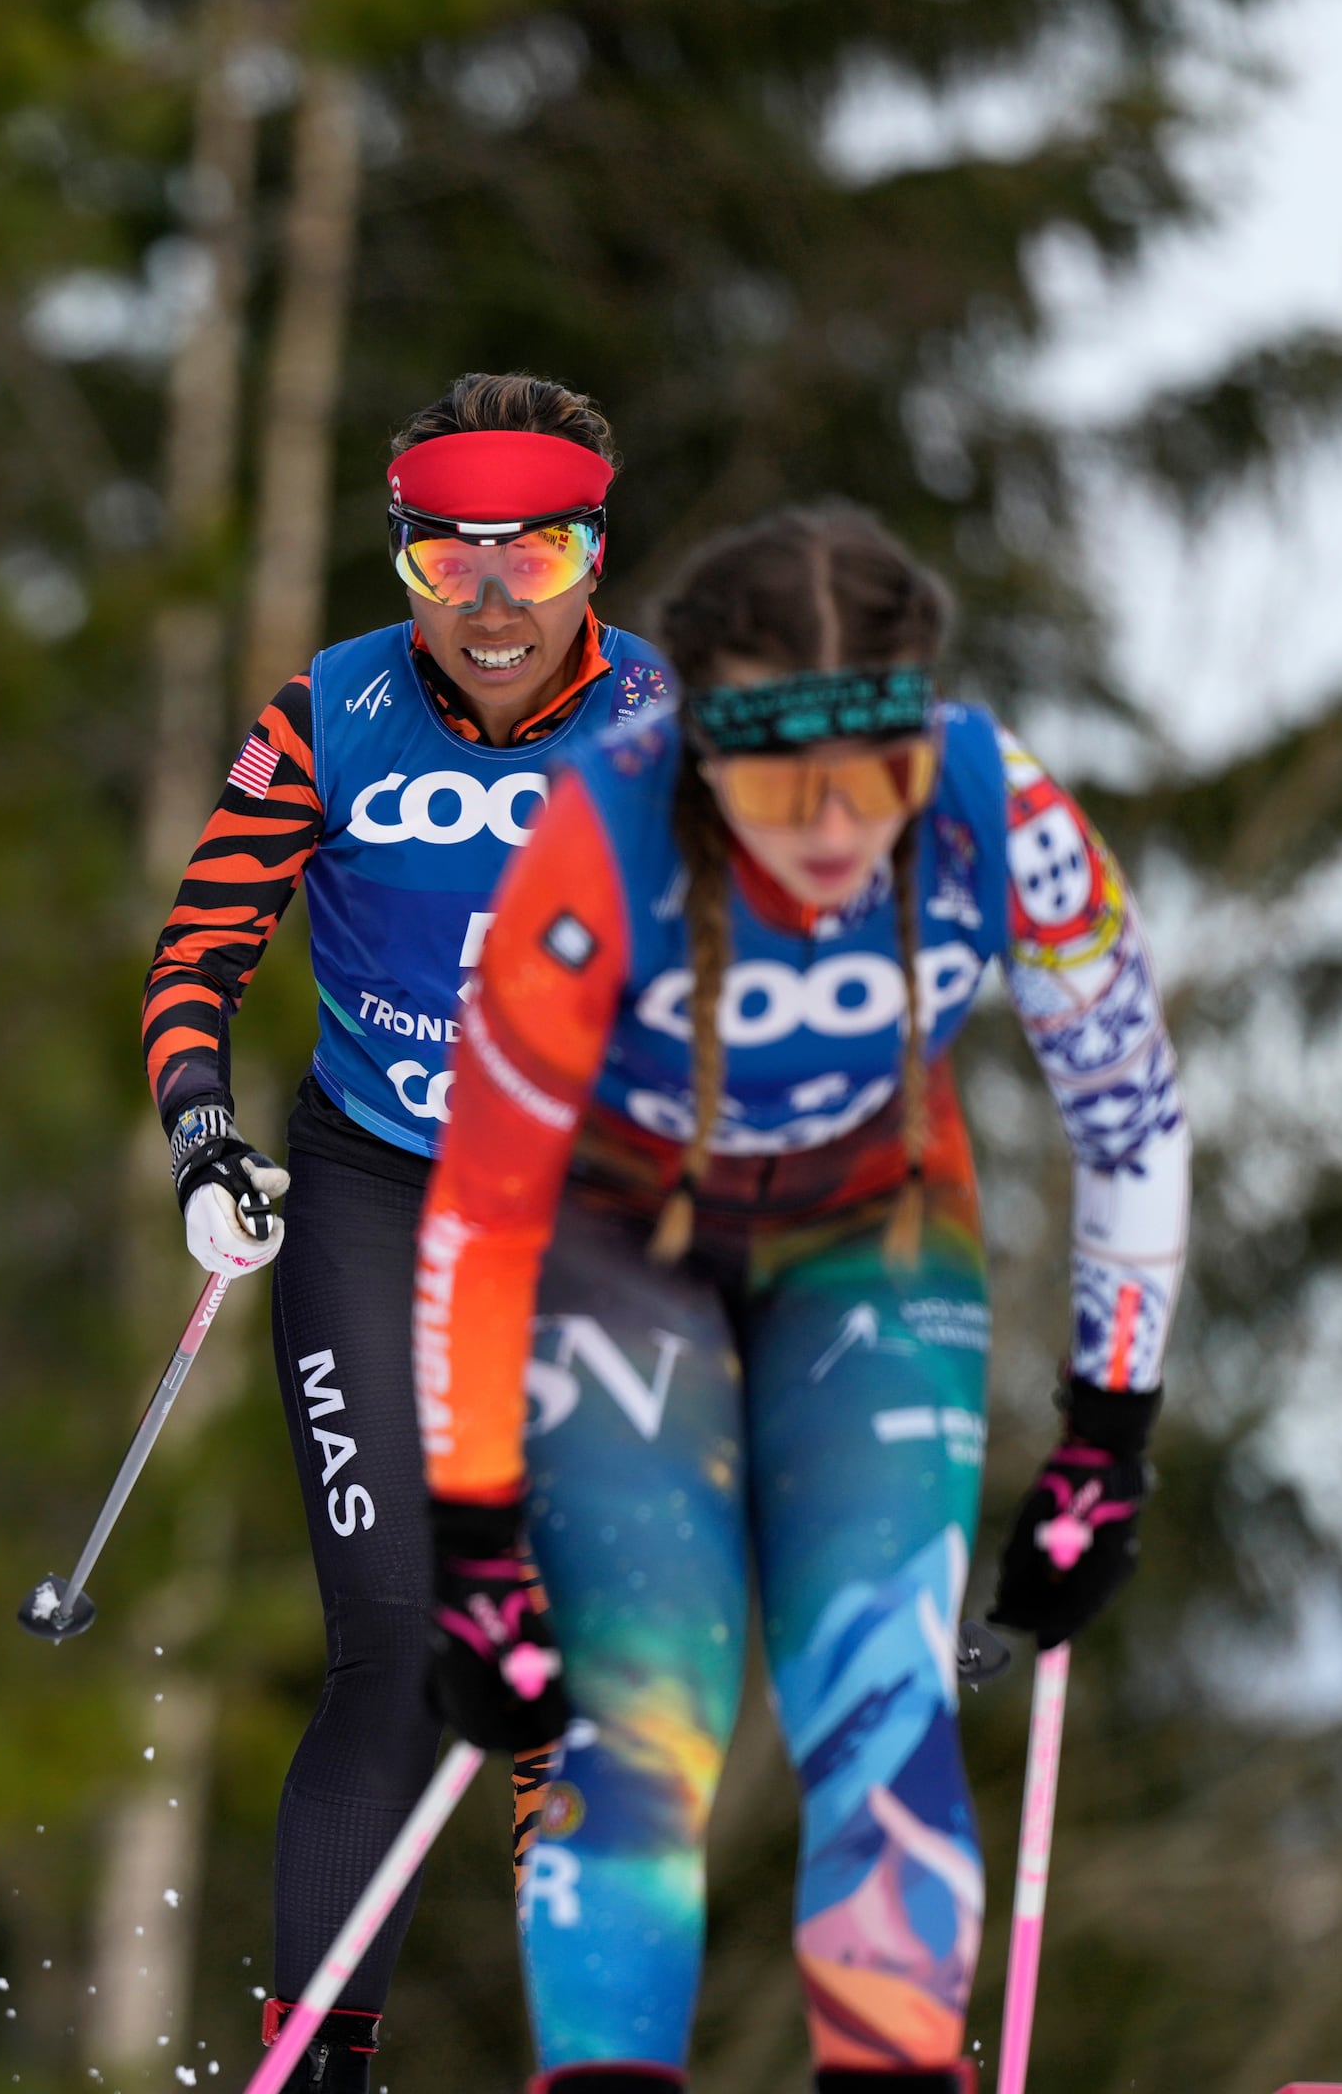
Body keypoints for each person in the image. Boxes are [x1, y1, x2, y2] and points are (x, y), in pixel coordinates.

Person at [412, 504, 1190, 2091]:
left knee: (881, 1708)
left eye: (877, 775)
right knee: (635, 1723)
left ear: (926, 740)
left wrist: (1110, 1435)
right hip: (615, 1249)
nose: (837, 828)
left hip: (873, 1234)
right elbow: (483, 1216)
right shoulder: (597, 834)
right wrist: (474, 1537)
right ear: (704, 750)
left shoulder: (996, 805)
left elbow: (1128, 1113)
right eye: (780, 782)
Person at [141, 375, 671, 2091]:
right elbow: (197, 957)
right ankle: (318, 2072)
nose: (499, 605)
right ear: (404, 563)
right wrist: (203, 1141)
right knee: (399, 1654)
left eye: (543, 557)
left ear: (597, 559)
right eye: (454, 566)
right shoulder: (332, 715)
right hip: (373, 1197)